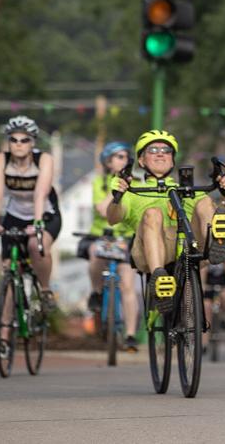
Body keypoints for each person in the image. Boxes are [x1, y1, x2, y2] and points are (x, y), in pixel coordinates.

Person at [106, 130, 225, 314]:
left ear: (173, 160)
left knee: (206, 202)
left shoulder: (188, 190)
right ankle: (159, 277)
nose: (160, 153)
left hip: (190, 245)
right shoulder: (133, 190)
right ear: (141, 161)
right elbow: (112, 218)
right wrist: (117, 197)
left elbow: (217, 214)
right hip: (150, 250)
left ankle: (216, 243)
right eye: (153, 150)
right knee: (153, 213)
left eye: (166, 150)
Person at [0, 116, 61, 310]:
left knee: (37, 245)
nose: (18, 144)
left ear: (32, 142)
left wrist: (36, 225)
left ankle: (45, 290)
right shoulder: (0, 160)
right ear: (8, 142)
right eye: (13, 139)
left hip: (44, 214)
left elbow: (40, 195)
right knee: (10, 270)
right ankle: (3, 336)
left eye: (24, 140)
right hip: (15, 214)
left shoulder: (44, 160)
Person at [87, 141, 140, 352]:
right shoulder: (99, 183)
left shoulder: (137, 182)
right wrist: (117, 187)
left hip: (126, 239)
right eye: (118, 157)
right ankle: (96, 291)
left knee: (128, 286)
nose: (123, 160)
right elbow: (102, 209)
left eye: (126, 157)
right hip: (104, 236)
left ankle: (130, 335)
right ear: (108, 162)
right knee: (95, 253)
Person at [201, 246, 225, 344]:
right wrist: (203, 285)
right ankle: (205, 341)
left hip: (222, 284)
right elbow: (203, 270)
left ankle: (222, 317)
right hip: (209, 285)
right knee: (206, 308)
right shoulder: (206, 251)